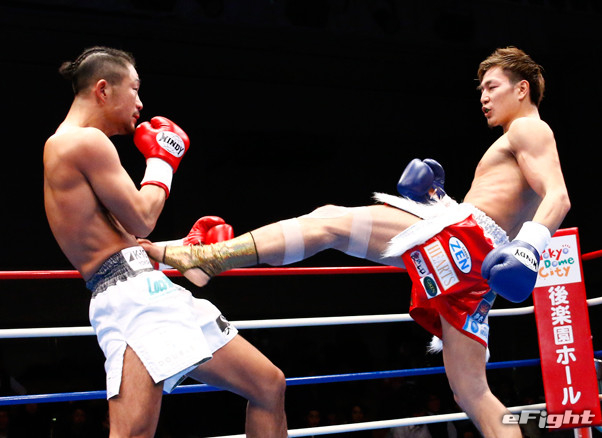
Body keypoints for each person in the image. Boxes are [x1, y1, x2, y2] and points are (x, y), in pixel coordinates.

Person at [141, 46, 570, 437]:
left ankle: (210, 257)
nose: (484, 97)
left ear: (522, 88)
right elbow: (501, 209)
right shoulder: (518, 139)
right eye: (481, 89)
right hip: (474, 265)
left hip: (468, 240)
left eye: (492, 87)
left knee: (329, 221)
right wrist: (436, 199)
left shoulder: (529, 129)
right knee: (473, 393)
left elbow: (558, 196)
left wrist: (528, 247)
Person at [43, 46, 287, 438]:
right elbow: (142, 217)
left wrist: (178, 248)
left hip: (148, 288)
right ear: (103, 90)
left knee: (268, 385)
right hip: (133, 302)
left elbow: (119, 243)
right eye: (134, 89)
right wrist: (162, 161)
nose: (140, 102)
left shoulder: (71, 146)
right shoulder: (82, 141)